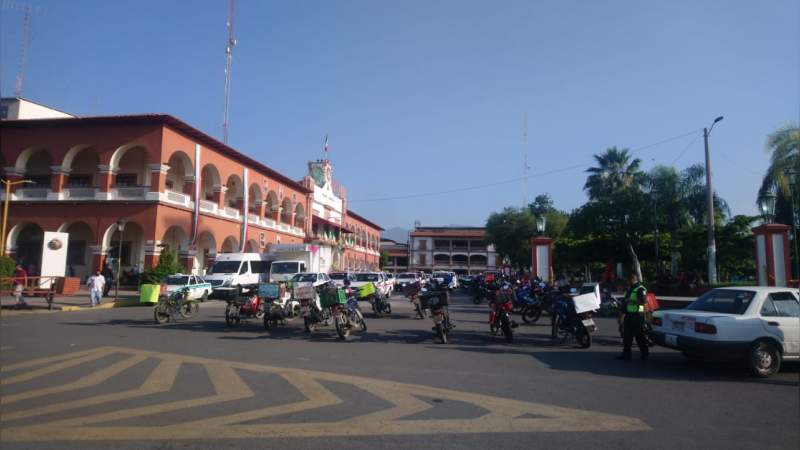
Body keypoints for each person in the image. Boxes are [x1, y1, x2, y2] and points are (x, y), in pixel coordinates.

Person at [617, 274, 649, 361]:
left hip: (637, 316)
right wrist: (621, 315)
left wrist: (633, 302)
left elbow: (643, 302)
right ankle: (626, 355)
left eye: (629, 280)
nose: (627, 282)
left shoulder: (641, 289)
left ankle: (644, 354)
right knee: (627, 336)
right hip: (629, 315)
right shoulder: (630, 289)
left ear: (633, 279)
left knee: (639, 336)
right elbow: (625, 302)